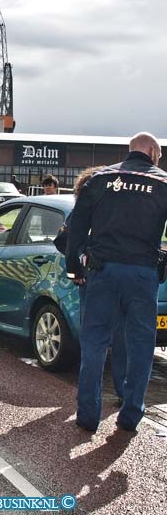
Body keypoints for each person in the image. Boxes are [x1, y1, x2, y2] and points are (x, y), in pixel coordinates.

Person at [67, 132, 167, 433]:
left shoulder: (99, 179)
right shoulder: (163, 182)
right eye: (159, 155)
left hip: (103, 270)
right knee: (140, 345)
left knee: (95, 343)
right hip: (142, 274)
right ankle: (131, 414)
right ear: (150, 151)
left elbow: (77, 227)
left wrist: (75, 267)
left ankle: (88, 415)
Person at [55, 167, 126, 403]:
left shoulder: (82, 211)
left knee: (93, 340)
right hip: (121, 279)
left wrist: (78, 265)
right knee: (121, 338)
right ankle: (122, 391)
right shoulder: (116, 209)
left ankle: (88, 399)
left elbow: (63, 239)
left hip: (91, 279)